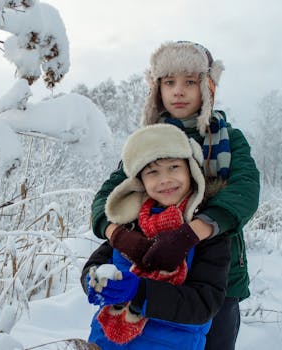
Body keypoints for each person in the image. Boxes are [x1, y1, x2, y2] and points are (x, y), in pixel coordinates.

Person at [90, 41, 260, 349]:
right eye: (169, 82)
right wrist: (118, 235)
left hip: (218, 276)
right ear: (157, 88)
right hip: (147, 275)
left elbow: (245, 191)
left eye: (189, 82)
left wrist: (189, 235)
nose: (178, 91)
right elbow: (109, 196)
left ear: (207, 87)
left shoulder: (228, 139)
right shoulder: (147, 143)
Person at [81, 124, 231, 349]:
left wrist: (141, 292)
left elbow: (203, 304)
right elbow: (95, 264)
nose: (164, 179)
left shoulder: (205, 231)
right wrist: (93, 282)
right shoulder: (129, 222)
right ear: (140, 180)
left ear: (191, 171)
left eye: (174, 167)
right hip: (104, 342)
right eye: (153, 172)